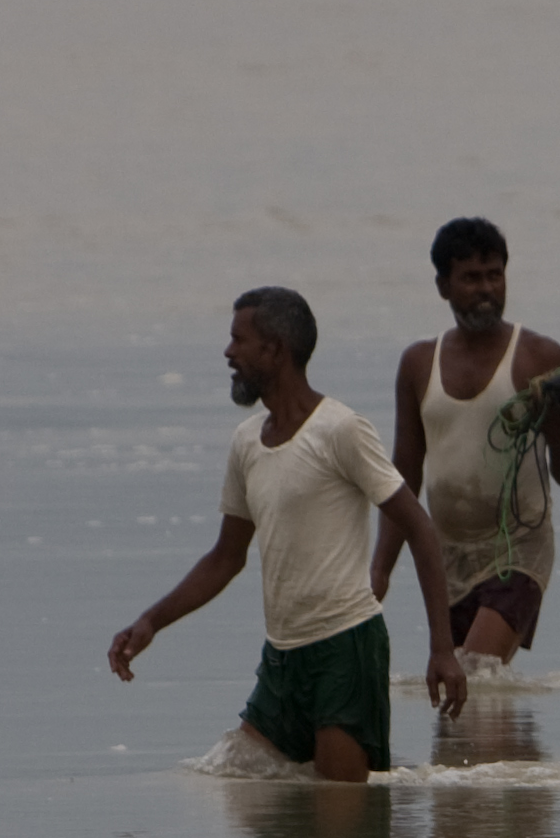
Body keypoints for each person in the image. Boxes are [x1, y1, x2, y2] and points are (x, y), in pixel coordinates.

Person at [108, 287, 472, 781]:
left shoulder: (341, 430)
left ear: (275, 350)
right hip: (281, 660)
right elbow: (225, 558)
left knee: (342, 826)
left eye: (239, 340)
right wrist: (151, 621)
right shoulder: (246, 444)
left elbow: (419, 528)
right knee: (241, 794)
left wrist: (442, 649)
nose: (228, 353)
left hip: (346, 651)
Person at [376, 216, 560, 673]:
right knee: (463, 690)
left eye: (495, 275)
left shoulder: (539, 357)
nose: (486, 288)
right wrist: (380, 568)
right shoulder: (418, 364)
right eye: (471, 278)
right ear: (443, 286)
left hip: (519, 550)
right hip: (445, 558)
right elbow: (402, 476)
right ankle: (518, 746)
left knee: (473, 672)